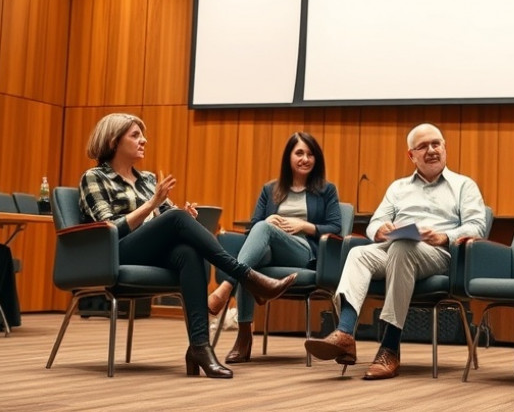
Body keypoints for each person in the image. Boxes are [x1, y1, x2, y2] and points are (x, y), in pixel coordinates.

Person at [78, 113, 297, 379]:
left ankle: (199, 348)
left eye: (142, 135)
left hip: (149, 252)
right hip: (116, 252)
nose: (143, 140)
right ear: (113, 141)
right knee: (175, 219)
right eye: (135, 135)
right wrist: (154, 206)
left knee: (188, 252)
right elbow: (109, 229)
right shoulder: (94, 177)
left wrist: (183, 214)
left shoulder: (147, 179)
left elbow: (168, 218)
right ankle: (246, 276)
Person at [304, 123, 486, 380]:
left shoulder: (463, 186)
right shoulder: (398, 188)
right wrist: (379, 230)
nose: (431, 150)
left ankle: (390, 347)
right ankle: (345, 333)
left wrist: (444, 236)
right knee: (358, 254)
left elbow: (477, 226)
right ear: (411, 155)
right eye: (423, 146)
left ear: (445, 148)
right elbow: (375, 223)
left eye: (436, 144)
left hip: (438, 254)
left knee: (403, 246)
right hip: (394, 248)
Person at [207, 132, 342, 364]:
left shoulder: (326, 190)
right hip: (268, 252)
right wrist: (268, 222)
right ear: (288, 157)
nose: (305, 159)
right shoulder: (270, 189)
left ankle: (227, 287)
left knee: (260, 237)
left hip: (303, 252)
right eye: (299, 153)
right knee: (257, 247)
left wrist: (304, 225)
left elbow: (336, 227)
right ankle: (244, 335)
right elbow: (253, 228)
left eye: (310, 154)